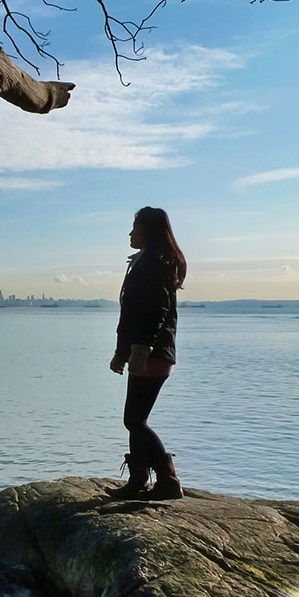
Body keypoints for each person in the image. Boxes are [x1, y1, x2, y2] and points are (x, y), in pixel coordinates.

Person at [105, 206, 186, 501]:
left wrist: (141, 348)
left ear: (147, 230)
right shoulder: (145, 260)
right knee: (135, 418)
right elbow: (131, 315)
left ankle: (167, 479)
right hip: (147, 351)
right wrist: (121, 352)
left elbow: (156, 311)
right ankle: (139, 480)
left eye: (134, 227)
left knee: (134, 420)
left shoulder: (155, 262)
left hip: (153, 353)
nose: (130, 233)